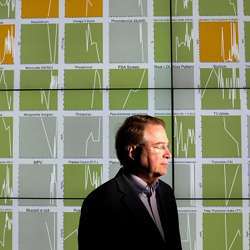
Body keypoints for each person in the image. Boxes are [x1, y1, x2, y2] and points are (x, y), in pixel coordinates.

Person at [78, 114, 182, 250]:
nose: (168, 154)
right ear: (132, 152)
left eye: (166, 146)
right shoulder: (100, 202)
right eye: (159, 146)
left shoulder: (166, 192)